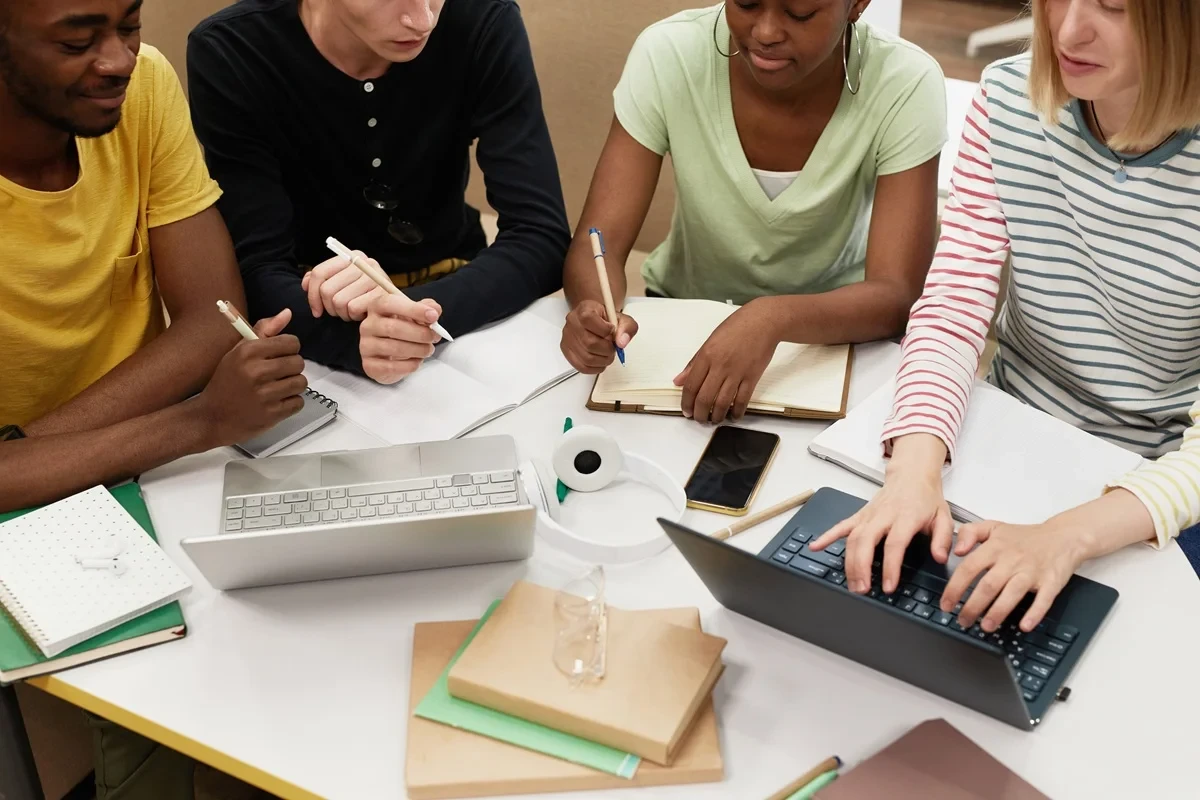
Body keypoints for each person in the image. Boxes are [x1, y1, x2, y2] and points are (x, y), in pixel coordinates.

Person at [810, 0, 1200, 635]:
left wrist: (1064, 538)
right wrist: (912, 472)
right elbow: (954, 302)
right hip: (1009, 425)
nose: (1068, 29)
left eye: (1114, 7)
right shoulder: (1009, 99)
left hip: (1155, 474)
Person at [0, 0, 306, 796]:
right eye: (79, 38)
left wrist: (28, 452)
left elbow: (211, 317)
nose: (119, 59)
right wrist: (198, 420)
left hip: (128, 461)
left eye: (129, 25)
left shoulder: (144, 87)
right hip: (107, 468)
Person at [559, 0, 948, 423]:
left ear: (857, 4)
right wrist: (596, 314)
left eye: (799, 14)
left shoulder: (906, 83)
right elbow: (598, 242)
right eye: (745, 3)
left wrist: (770, 317)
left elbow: (897, 294)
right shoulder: (669, 53)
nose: (765, 32)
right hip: (679, 322)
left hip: (838, 337)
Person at [187, 0, 571, 385]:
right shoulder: (234, 49)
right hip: (312, 314)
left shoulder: (482, 19)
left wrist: (414, 320)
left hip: (459, 288)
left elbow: (541, 236)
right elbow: (254, 271)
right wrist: (355, 341)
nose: (423, 20)